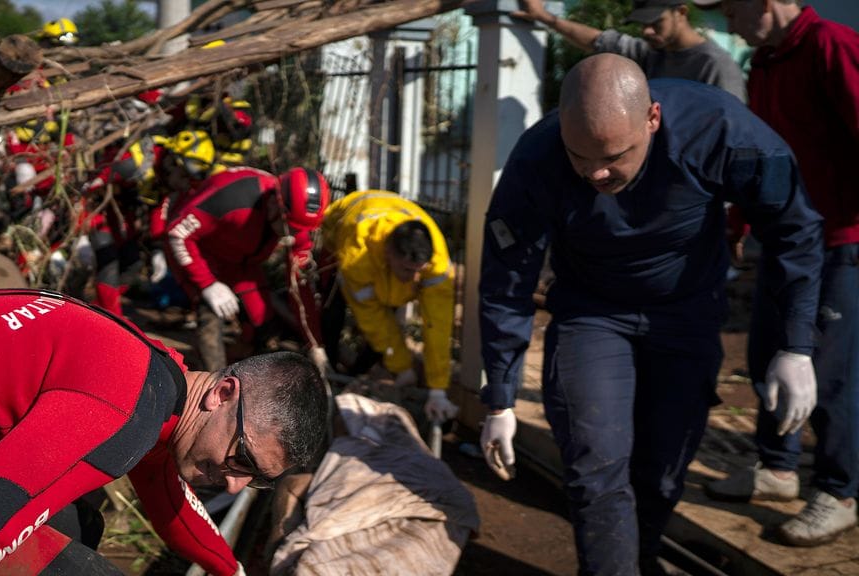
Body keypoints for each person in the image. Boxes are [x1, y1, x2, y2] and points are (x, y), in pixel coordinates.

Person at [478, 53, 823, 575]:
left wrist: (795, 344)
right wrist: (500, 398)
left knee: (662, 472)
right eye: (580, 155)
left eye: (615, 155)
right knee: (595, 465)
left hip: (686, 312)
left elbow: (794, 229)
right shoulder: (538, 158)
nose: (596, 172)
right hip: (592, 312)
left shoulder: (722, 131)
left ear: (653, 119)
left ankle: (638, 558)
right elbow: (507, 280)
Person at [0, 288, 328, 575]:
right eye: (242, 459)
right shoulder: (123, 405)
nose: (236, 484)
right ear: (222, 393)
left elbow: (168, 498)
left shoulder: (159, 376)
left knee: (80, 521)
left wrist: (232, 570)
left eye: (257, 480)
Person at [695, 0, 859, 547]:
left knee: (828, 372)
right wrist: (740, 221)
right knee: (769, 355)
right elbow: (761, 157)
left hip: (840, 241)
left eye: (730, 12)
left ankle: (839, 492)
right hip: (786, 241)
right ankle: (778, 469)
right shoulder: (764, 62)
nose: (728, 26)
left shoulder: (831, 45)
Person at [161, 166, 331, 374]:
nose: (294, 234)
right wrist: (207, 284)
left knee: (263, 323)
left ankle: (240, 370)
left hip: (242, 263)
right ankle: (209, 382)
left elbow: (300, 288)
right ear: (275, 204)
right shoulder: (234, 197)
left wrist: (314, 343)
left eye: (299, 229)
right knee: (211, 313)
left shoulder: (297, 228)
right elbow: (178, 233)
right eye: (291, 226)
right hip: (200, 252)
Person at [319, 191, 459, 423]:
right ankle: (329, 378)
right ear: (388, 253)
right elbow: (373, 319)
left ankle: (357, 374)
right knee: (332, 314)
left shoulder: (437, 263)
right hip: (341, 230)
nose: (415, 279)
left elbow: (438, 326)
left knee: (386, 323)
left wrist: (438, 389)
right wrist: (402, 366)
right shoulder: (356, 254)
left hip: (385, 225)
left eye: (419, 271)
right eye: (407, 270)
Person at [82, 129, 220, 316]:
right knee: (109, 262)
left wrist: (157, 248)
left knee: (133, 263)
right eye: (185, 176)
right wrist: (80, 228)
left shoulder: (164, 174)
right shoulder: (132, 164)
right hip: (97, 209)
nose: (185, 183)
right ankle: (111, 318)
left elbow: (157, 205)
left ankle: (96, 310)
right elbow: (87, 190)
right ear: (173, 162)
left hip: (121, 212)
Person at [513, 0, 746, 102]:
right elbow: (597, 40)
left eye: (656, 22)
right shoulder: (651, 53)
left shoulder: (715, 65)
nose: (646, 31)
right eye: (642, 24)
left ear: (681, 13)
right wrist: (546, 17)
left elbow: (733, 129)